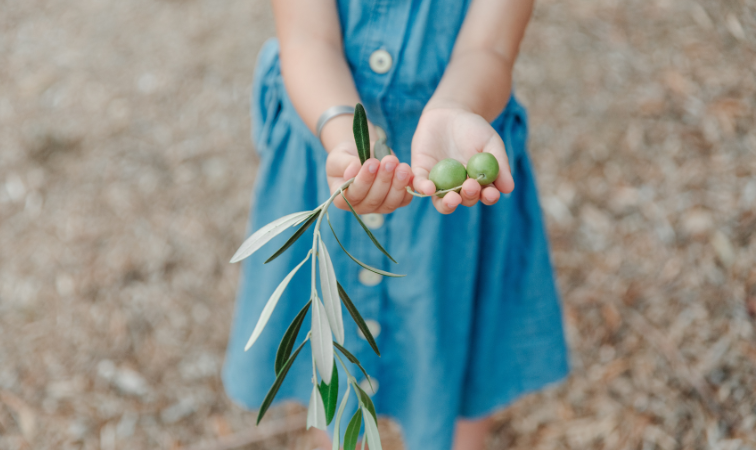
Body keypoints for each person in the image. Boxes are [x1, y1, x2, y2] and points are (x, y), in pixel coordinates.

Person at [222, 0, 569, 448]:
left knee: (453, 352)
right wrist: (346, 136)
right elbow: (308, 40)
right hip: (328, 149)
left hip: (451, 173)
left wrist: (456, 108)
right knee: (334, 341)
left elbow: (490, 49)